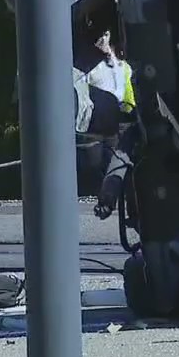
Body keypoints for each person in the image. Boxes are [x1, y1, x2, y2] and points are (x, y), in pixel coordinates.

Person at [77, 30, 137, 220]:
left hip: (122, 118)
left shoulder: (121, 63)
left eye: (105, 35)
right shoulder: (89, 66)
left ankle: (113, 201)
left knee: (120, 161)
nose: (102, 39)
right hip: (98, 124)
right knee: (99, 164)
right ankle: (105, 199)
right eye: (99, 36)